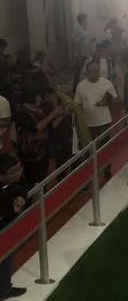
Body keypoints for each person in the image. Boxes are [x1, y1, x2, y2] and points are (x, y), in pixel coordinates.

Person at [74, 62, 117, 181]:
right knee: (88, 150)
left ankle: (107, 170)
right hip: (88, 124)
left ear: (99, 72)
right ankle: (90, 172)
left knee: (105, 147)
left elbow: (114, 98)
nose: (93, 74)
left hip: (104, 122)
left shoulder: (106, 83)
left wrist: (106, 102)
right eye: (91, 71)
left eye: (95, 71)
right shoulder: (81, 86)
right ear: (87, 72)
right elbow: (78, 104)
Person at [13, 88, 64, 187]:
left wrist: (61, 115)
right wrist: (52, 114)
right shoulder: (21, 112)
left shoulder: (39, 111)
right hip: (30, 152)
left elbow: (48, 127)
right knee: (32, 180)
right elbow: (36, 127)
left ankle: (42, 194)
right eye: (38, 96)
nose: (40, 99)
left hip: (42, 150)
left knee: (42, 178)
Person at [0, 153, 28, 300]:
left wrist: (22, 197)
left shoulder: (17, 178)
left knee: (7, 257)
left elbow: (24, 186)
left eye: (19, 168)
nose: (18, 173)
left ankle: (4, 289)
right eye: (13, 171)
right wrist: (11, 209)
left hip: (6, 225)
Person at [72, 14, 95, 90]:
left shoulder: (85, 29)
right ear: (82, 20)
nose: (87, 20)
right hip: (81, 54)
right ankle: (75, 88)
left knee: (84, 71)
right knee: (79, 71)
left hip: (87, 52)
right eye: (85, 19)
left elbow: (87, 39)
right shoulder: (78, 30)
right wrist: (78, 56)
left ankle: (83, 87)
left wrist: (92, 39)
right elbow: (77, 43)